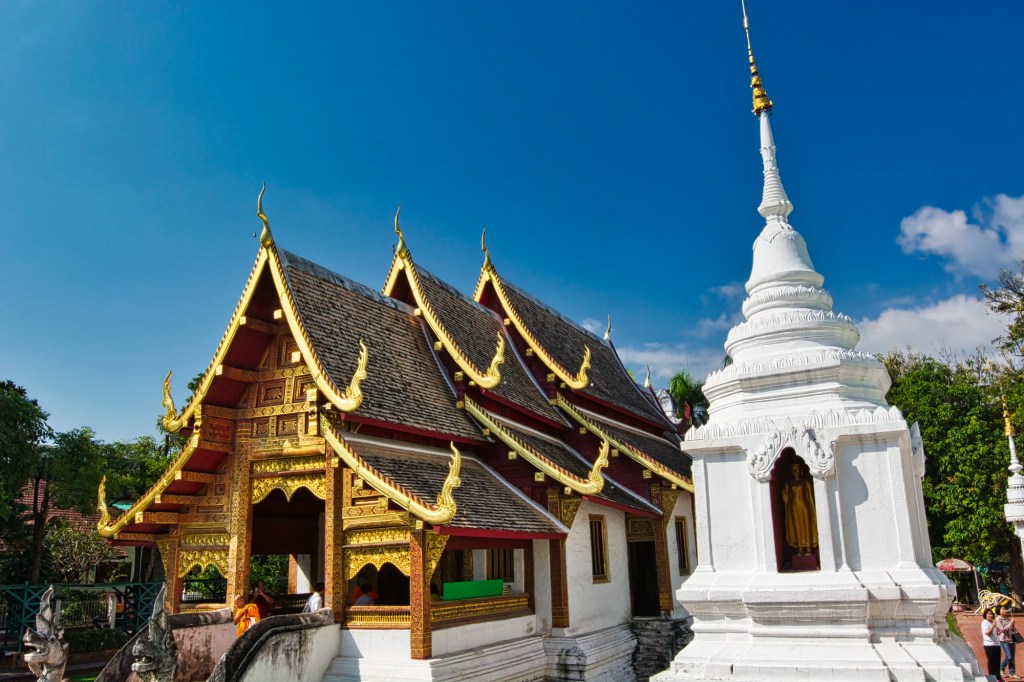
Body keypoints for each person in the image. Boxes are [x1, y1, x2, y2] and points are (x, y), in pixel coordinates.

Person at [781, 461, 817, 555]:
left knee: (806, 526)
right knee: (797, 527)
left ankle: (808, 547)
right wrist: (784, 496)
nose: (796, 471)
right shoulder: (789, 483)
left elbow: (810, 497)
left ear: (801, 471)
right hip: (794, 506)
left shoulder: (805, 482)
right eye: (794, 470)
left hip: (805, 505)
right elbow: (786, 495)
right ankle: (800, 548)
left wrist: (814, 510)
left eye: (798, 469)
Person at [996, 605, 1019, 679]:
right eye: (1002, 609)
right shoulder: (998, 619)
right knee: (1009, 656)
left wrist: (1013, 625)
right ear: (999, 611)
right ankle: (1001, 668)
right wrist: (1010, 624)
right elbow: (1002, 630)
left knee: (1012, 658)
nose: (1004, 610)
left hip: (1011, 639)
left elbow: (1011, 629)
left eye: (1005, 609)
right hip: (1004, 640)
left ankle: (1012, 673)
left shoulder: (1007, 618)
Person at [983, 608, 1005, 681]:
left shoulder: (992, 622)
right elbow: (988, 633)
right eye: (989, 614)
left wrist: (998, 630)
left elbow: (996, 633)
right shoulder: (984, 623)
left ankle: (998, 677)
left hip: (996, 644)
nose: (990, 615)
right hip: (989, 645)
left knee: (997, 662)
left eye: (991, 614)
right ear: (985, 615)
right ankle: (992, 677)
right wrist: (992, 626)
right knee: (991, 661)